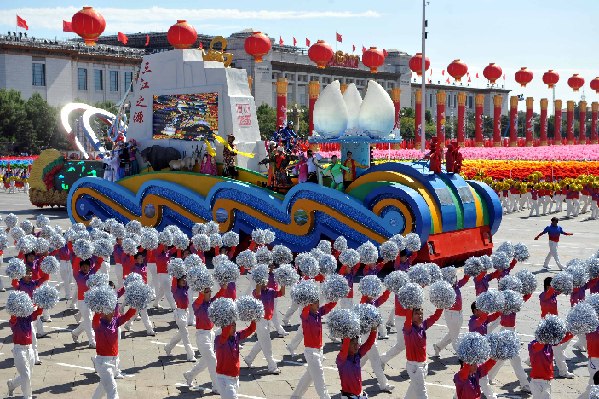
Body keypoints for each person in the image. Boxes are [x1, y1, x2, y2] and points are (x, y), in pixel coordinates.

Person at [290, 299, 337, 399]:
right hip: (311, 353)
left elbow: (329, 306)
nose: (318, 305)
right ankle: (325, 397)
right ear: (310, 305)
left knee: (309, 376)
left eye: (318, 302)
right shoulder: (305, 316)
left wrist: (336, 296)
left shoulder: (318, 313)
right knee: (320, 378)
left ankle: (295, 396)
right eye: (315, 303)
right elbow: (305, 310)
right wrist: (307, 299)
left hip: (319, 351)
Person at [91, 305, 137, 399]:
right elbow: (96, 317)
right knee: (113, 389)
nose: (113, 313)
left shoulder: (115, 321)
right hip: (104, 364)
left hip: (115, 361)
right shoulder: (98, 324)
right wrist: (99, 307)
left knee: (102, 388)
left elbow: (127, 316)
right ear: (104, 312)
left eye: (113, 310)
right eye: (110, 311)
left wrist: (135, 304)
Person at [184, 285, 220, 394]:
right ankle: (216, 386)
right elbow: (199, 300)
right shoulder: (197, 305)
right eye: (206, 292)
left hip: (211, 334)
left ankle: (190, 375)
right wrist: (202, 291)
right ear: (202, 293)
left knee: (205, 361)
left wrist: (223, 287)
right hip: (202, 336)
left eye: (210, 291)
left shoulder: (212, 303)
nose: (209, 293)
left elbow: (220, 295)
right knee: (212, 360)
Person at [403, 307, 444, 398]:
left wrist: (441, 306)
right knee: (422, 393)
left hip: (424, 364)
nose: (420, 316)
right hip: (415, 367)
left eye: (421, 313)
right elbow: (407, 320)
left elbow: (435, 317)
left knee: (413, 390)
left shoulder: (423, 326)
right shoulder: (408, 329)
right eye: (417, 314)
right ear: (411, 316)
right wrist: (410, 307)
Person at [245, 282, 285, 374]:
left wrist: (284, 282)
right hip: (260, 321)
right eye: (262, 281)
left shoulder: (271, 291)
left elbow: (281, 293)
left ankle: (249, 358)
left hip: (268, 320)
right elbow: (258, 293)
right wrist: (259, 282)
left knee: (262, 342)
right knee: (267, 344)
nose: (265, 282)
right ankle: (272, 366)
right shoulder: (256, 292)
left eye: (266, 280)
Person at [7, 305, 44, 398]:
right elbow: (13, 317)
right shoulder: (14, 320)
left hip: (29, 349)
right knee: (26, 375)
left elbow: (38, 313)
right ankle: (27, 396)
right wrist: (17, 308)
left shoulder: (29, 318)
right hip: (19, 350)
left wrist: (40, 303)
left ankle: (12, 384)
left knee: (27, 374)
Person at [215, 321, 257, 399]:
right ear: (224, 327)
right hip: (224, 378)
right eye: (231, 326)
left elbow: (251, 329)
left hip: (235, 377)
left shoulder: (236, 336)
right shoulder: (219, 340)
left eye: (235, 325)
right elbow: (225, 332)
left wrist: (254, 319)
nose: (234, 328)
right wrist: (228, 317)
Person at [528, 331, 574, 398]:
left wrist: (573, 331)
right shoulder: (532, 345)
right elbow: (538, 346)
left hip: (547, 380)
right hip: (536, 381)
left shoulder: (549, 344)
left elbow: (563, 339)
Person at [434, 274, 470, 356]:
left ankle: (438, 346)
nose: (456, 279)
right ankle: (462, 356)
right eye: (453, 278)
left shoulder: (456, 286)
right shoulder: (446, 290)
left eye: (455, 277)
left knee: (453, 333)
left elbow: (465, 279)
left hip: (459, 313)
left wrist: (468, 273)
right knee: (455, 338)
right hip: (451, 315)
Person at [336, 328, 377, 399]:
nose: (356, 346)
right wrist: (348, 331)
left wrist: (373, 330)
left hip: (360, 394)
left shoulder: (357, 355)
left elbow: (369, 343)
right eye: (352, 344)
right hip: (349, 396)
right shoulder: (341, 359)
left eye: (357, 343)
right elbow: (345, 346)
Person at [164, 274, 195, 361]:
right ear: (177, 281)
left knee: (181, 334)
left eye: (185, 279)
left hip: (185, 312)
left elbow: (191, 280)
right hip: (179, 313)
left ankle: (168, 347)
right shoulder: (175, 289)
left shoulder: (185, 288)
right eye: (182, 279)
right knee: (185, 335)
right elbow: (174, 279)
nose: (184, 281)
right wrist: (176, 271)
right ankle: (190, 355)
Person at [72, 258, 100, 348]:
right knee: (88, 319)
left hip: (92, 301)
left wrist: (96, 253)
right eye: (83, 266)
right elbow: (75, 264)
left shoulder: (92, 273)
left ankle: (75, 332)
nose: (85, 268)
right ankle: (92, 341)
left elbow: (99, 262)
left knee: (89, 320)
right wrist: (81, 254)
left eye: (86, 266)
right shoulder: (77, 275)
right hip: (82, 301)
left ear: (89, 267)